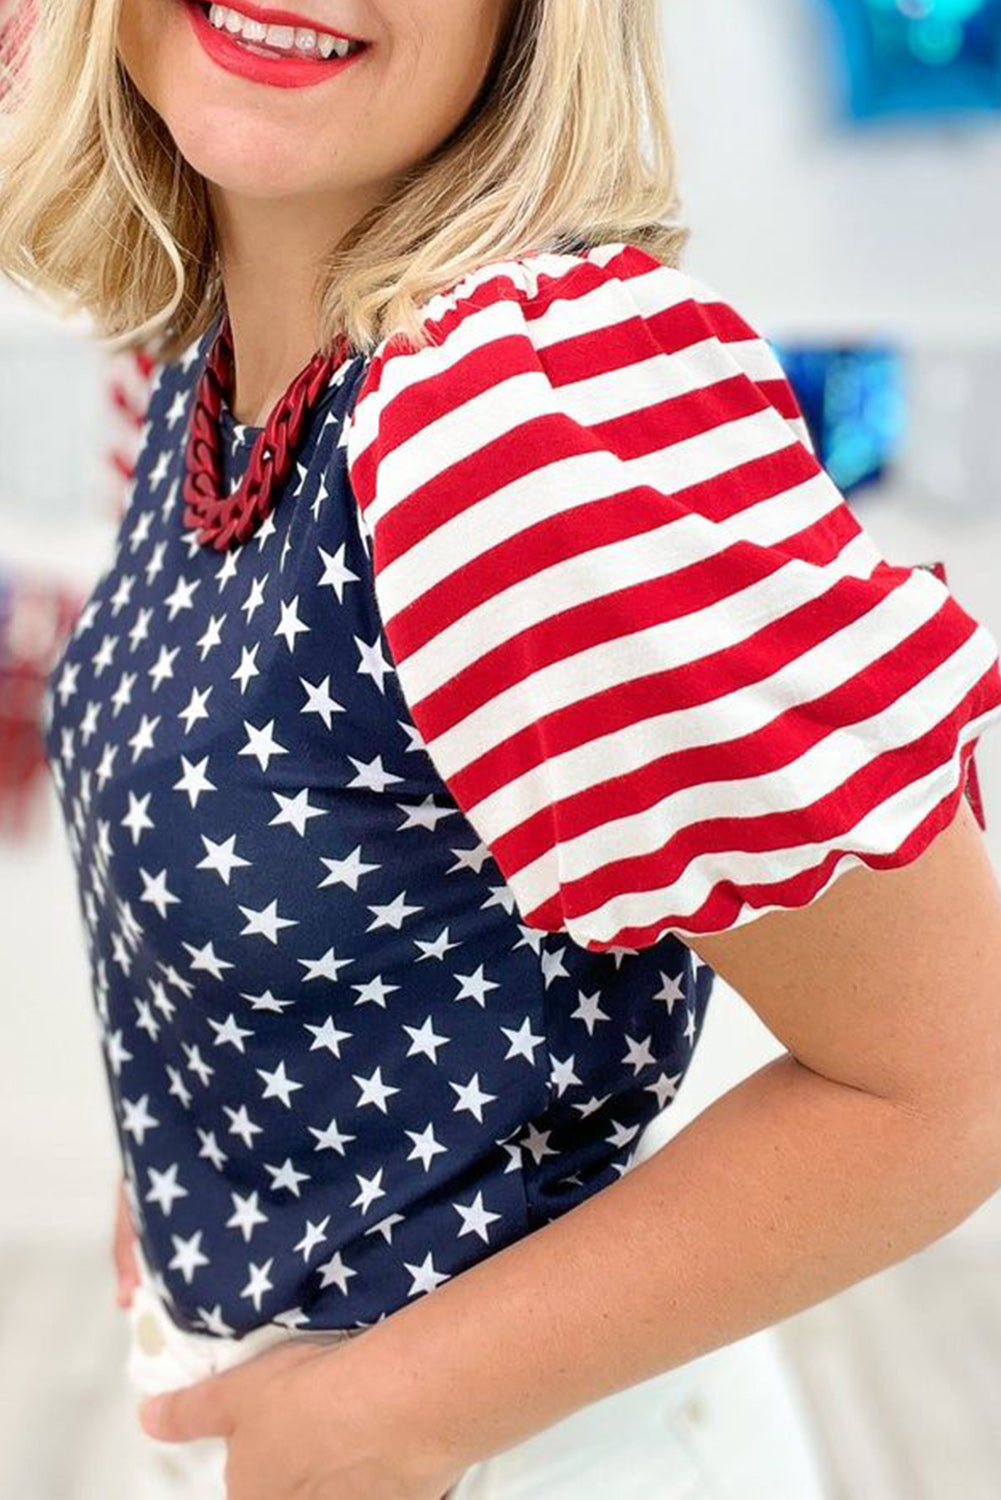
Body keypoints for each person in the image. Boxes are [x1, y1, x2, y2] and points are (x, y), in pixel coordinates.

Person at [3, 2, 1001, 1498]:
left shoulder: (499, 432)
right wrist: (197, 1178)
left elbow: (952, 1076)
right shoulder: (196, 364)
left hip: (516, 1454)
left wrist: (387, 1412)